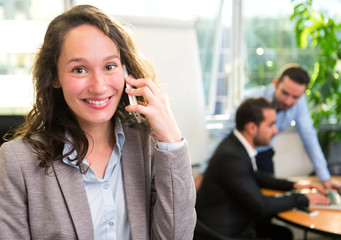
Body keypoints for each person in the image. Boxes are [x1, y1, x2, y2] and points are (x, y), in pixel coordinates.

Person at [0, 5, 196, 240]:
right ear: (54, 76)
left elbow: (177, 236)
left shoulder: (148, 146)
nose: (99, 86)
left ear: (125, 71)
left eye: (109, 66)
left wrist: (171, 140)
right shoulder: (17, 161)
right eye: (79, 69)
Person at [195, 97, 330, 240]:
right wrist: (303, 198)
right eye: (271, 125)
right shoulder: (232, 157)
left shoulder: (236, 145)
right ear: (252, 128)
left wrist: (295, 185)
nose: (276, 130)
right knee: (282, 234)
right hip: (225, 232)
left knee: (283, 233)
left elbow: (256, 176)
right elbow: (262, 206)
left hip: (233, 221)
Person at [195, 64, 341, 191]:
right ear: (275, 83)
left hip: (264, 154)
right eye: (285, 93)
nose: (289, 101)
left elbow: (310, 137)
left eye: (295, 97)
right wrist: (204, 172)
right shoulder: (252, 100)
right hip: (241, 155)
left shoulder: (299, 104)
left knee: (269, 192)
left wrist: (325, 178)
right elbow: (224, 134)